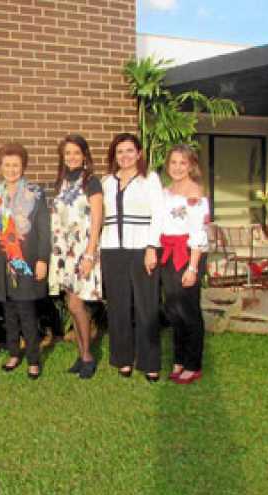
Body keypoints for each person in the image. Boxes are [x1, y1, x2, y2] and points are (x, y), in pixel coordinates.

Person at [100, 133, 165, 382]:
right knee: (118, 307)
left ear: (139, 153)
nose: (124, 156)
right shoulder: (107, 182)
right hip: (112, 251)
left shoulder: (150, 179)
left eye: (129, 150)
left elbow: (158, 214)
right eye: (120, 151)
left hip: (141, 250)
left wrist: (152, 247)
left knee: (146, 307)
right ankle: (123, 359)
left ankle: (150, 362)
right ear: (114, 156)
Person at [0, 143, 51, 380]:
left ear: (23, 167)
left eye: (16, 165)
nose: (11, 169)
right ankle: (13, 353)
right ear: (0, 167)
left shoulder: (35, 193)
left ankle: (33, 359)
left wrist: (42, 259)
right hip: (2, 262)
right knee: (9, 310)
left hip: (26, 260)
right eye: (7, 165)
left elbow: (43, 228)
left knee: (26, 310)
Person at [48, 134, 104, 379]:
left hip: (83, 251)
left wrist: (90, 254)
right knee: (72, 304)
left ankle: (87, 357)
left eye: (76, 152)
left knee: (76, 304)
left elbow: (97, 219)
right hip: (65, 252)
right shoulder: (61, 182)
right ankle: (81, 355)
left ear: (84, 156)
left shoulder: (91, 181)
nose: (71, 157)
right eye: (67, 153)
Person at [160, 144, 210, 385]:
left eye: (183, 163)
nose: (178, 167)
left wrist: (192, 268)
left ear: (191, 166)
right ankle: (179, 359)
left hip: (189, 254)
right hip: (168, 253)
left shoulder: (195, 194)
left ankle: (193, 364)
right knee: (173, 310)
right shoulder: (166, 192)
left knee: (188, 310)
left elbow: (199, 232)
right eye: (173, 162)